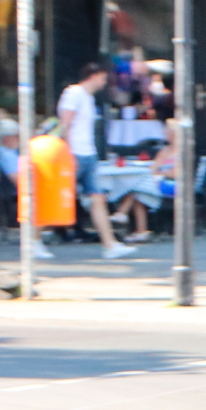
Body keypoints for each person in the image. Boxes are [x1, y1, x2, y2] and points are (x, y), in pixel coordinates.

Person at [54, 60, 136, 260]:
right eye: (103, 77)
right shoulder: (73, 93)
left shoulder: (87, 98)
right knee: (57, 196)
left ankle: (110, 245)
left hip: (88, 154)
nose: (104, 82)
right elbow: (66, 124)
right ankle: (33, 240)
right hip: (76, 154)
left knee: (97, 198)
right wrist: (68, 153)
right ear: (94, 75)